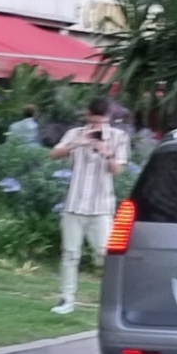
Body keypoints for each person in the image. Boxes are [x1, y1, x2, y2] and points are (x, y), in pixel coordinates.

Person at [47, 98, 131, 315]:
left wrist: (106, 152)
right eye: (93, 121)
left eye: (101, 122)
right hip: (74, 203)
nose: (97, 126)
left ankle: (114, 301)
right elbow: (53, 155)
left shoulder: (119, 137)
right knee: (70, 253)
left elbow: (117, 170)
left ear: (109, 118)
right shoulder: (75, 133)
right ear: (87, 115)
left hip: (101, 206)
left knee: (105, 255)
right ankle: (66, 299)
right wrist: (78, 142)